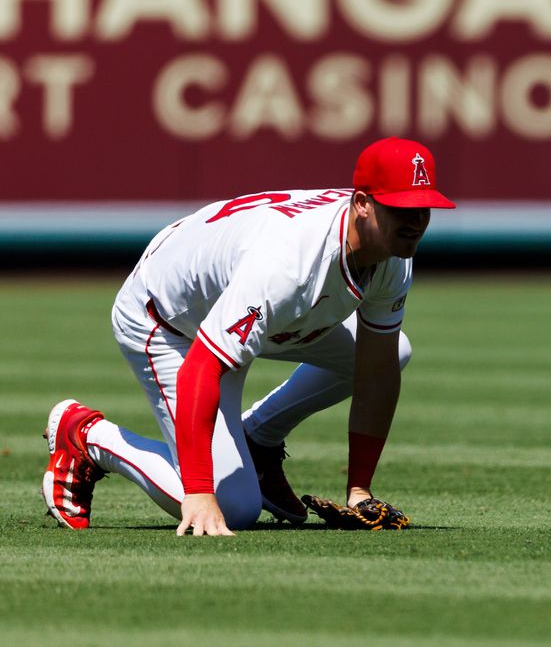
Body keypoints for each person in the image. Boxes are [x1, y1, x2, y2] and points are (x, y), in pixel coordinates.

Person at [42, 137, 455, 535]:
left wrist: (359, 491)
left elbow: (377, 374)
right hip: (168, 320)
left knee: (391, 352)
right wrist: (201, 493)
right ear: (362, 204)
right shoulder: (288, 265)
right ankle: (87, 436)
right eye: (402, 209)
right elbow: (200, 369)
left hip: (238, 292)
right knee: (235, 508)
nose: (417, 221)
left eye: (425, 208)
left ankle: (259, 439)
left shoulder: (390, 250)